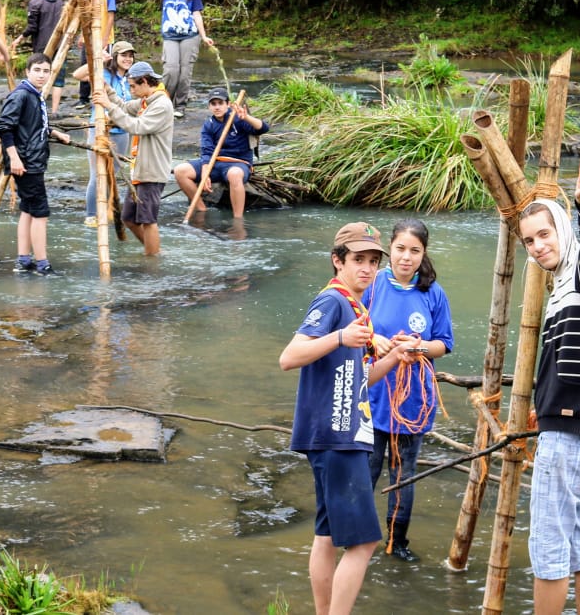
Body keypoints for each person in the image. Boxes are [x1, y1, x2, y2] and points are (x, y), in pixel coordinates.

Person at [278, 222, 409, 615]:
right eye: (357, 260)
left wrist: (391, 358)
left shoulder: (356, 307)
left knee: (326, 535)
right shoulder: (333, 303)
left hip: (333, 432)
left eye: (372, 261)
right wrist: (339, 338)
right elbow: (288, 357)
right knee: (365, 542)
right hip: (338, 436)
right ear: (338, 262)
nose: (367, 269)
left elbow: (358, 378)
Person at [518, 159, 580, 615]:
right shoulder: (565, 286)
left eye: (544, 234)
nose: (537, 247)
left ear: (563, 229)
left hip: (570, 428)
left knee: (550, 546)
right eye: (529, 241)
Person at [364, 219, 455, 562]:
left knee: (404, 474)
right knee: (366, 470)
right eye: (400, 249)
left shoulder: (433, 293)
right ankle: (357, 538)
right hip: (371, 395)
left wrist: (418, 347)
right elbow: (355, 329)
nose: (406, 257)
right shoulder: (372, 285)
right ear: (390, 248)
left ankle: (396, 543)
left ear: (423, 253)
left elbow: (444, 345)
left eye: (414, 251)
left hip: (412, 399)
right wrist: (376, 339)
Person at [0, 53, 70, 275]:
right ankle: (42, 263)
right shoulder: (21, 95)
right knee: (40, 212)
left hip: (32, 159)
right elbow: (4, 127)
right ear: (27, 72)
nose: (41, 75)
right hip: (26, 162)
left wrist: (55, 132)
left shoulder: (35, 95)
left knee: (27, 209)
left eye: (46, 71)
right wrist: (15, 158)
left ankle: (24, 259)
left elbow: (32, 124)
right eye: (37, 70)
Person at [91, 61, 174, 256]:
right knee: (129, 217)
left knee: (148, 220)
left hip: (152, 170)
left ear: (145, 81)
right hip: (140, 170)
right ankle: (154, 251)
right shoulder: (147, 100)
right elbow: (126, 107)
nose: (131, 90)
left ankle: (152, 259)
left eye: (133, 86)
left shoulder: (161, 104)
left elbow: (136, 126)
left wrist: (108, 106)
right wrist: (108, 91)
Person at [172, 89, 269, 218]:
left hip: (238, 163)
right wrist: (205, 173)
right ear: (209, 106)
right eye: (213, 104)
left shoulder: (238, 118)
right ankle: (201, 208)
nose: (217, 107)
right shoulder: (209, 124)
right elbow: (207, 151)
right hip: (215, 163)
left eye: (220, 103)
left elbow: (263, 128)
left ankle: (238, 218)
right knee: (180, 170)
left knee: (234, 174)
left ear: (228, 104)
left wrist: (246, 117)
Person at [71, 40, 135, 226]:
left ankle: (107, 210)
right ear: (115, 57)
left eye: (130, 55)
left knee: (112, 176)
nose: (127, 59)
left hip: (122, 130)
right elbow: (78, 74)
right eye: (123, 55)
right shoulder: (104, 72)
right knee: (97, 174)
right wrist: (98, 59)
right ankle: (91, 215)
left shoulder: (130, 78)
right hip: (100, 129)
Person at [154, 0, 212, 118]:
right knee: (171, 70)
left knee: (185, 72)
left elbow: (196, 14)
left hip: (190, 36)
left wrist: (204, 36)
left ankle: (180, 106)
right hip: (170, 36)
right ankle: (164, 102)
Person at [13, 0, 66, 115]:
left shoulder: (35, 2)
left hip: (42, 46)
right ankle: (54, 111)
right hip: (60, 46)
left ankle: (38, 109)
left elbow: (32, 27)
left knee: (39, 75)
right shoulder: (60, 2)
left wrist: (19, 39)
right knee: (58, 79)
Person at [75, 0, 119, 108]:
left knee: (105, 66)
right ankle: (83, 98)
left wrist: (106, 38)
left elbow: (111, 17)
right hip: (89, 36)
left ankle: (106, 95)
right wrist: (82, 35)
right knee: (85, 64)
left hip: (104, 36)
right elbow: (85, 17)